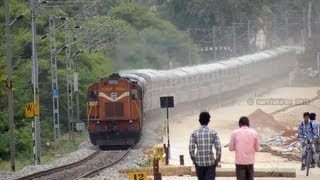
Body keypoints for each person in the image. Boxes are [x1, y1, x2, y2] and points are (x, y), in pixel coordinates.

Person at [189, 112, 221, 180]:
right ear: (209, 121)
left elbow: (191, 149)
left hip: (199, 163)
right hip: (210, 163)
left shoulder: (194, 133)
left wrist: (194, 159)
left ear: (199, 121)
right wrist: (217, 159)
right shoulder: (213, 133)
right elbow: (218, 148)